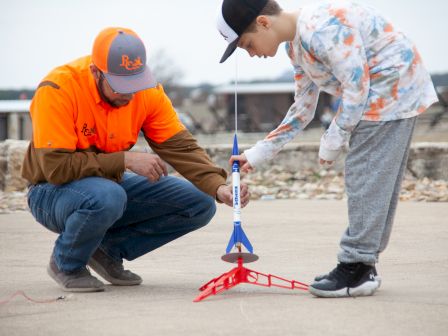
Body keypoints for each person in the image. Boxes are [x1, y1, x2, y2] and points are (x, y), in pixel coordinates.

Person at [216, 0, 438, 297]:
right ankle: (363, 265)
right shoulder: (295, 47)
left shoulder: (321, 29)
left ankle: (356, 267)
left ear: (264, 23)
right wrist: (260, 152)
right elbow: (303, 108)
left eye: (247, 44)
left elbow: (356, 86)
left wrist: (334, 138)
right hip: (390, 92)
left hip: (390, 89)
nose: (251, 53)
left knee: (365, 177)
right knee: (375, 181)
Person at [22, 27, 249, 292]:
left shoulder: (147, 92)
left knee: (199, 203)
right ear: (96, 72)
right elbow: (56, 168)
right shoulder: (58, 89)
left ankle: (106, 251)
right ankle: (67, 263)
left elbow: (181, 147)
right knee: (108, 197)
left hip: (107, 185)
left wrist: (218, 185)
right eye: (120, 87)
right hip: (50, 191)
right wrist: (125, 160)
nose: (129, 95)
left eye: (134, 84)